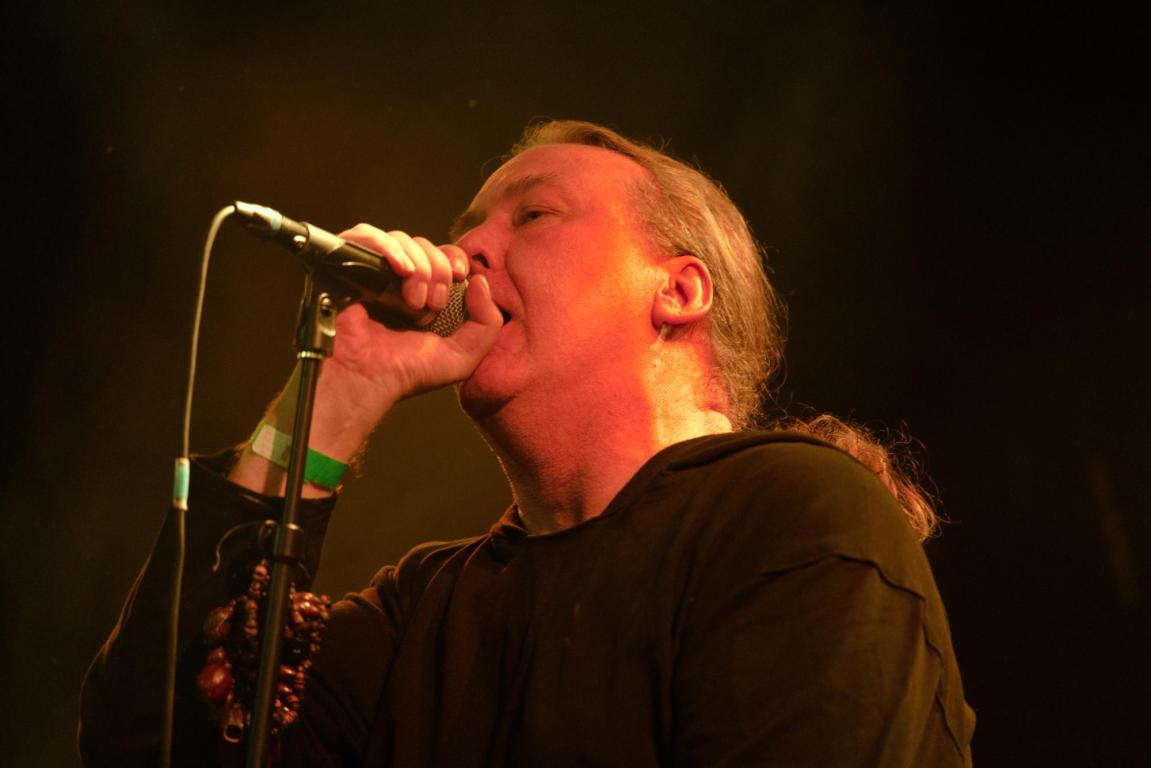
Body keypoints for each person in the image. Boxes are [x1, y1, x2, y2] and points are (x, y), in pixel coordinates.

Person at [80, 120, 976, 766]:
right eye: (468, 224)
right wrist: (340, 388)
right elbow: (150, 741)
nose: (467, 246)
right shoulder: (421, 613)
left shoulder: (793, 512)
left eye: (533, 216)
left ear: (678, 292)